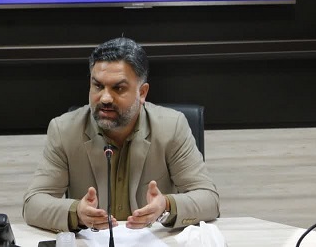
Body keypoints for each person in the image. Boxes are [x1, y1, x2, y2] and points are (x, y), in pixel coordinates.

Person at [22, 37, 220, 233]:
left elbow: (209, 199)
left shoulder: (172, 127)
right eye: (98, 86)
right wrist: (76, 212)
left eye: (118, 88)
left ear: (142, 93)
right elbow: (33, 203)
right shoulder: (64, 130)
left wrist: (166, 206)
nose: (105, 98)